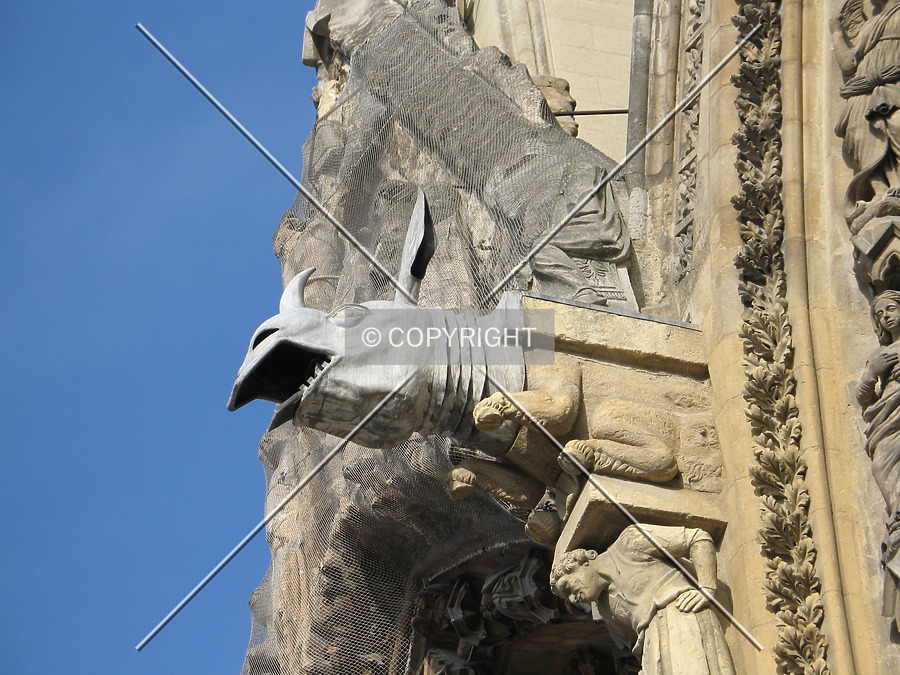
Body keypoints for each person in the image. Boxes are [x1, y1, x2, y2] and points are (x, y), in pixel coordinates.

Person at [550, 524, 734, 675]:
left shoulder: (628, 543)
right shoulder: (606, 610)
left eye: (569, 587)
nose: (574, 599)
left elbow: (697, 539)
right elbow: (636, 643)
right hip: (654, 647)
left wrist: (706, 587)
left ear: (584, 562)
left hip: (681, 616)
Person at [857, 289, 900, 625]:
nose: (886, 316)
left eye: (892, 308)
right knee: (882, 469)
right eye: (880, 313)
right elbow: (862, 396)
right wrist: (873, 371)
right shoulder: (882, 355)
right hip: (886, 424)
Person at [832, 0, 900, 213]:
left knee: (897, 125)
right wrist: (836, 33)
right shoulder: (870, 24)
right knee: (861, 133)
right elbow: (848, 65)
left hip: (893, 84)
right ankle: (880, 191)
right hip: (864, 90)